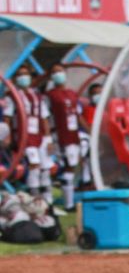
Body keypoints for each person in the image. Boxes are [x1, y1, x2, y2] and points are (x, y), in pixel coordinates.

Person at [11, 64, 53, 207]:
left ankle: (48, 199)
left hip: (39, 136)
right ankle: (34, 197)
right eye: (20, 75)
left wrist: (48, 138)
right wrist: (11, 138)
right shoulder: (13, 96)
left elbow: (44, 118)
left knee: (45, 166)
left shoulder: (37, 96)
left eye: (26, 74)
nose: (24, 77)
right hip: (24, 137)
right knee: (34, 164)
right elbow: (8, 118)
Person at [44, 63, 83, 210]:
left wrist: (89, 131)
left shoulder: (72, 93)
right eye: (54, 72)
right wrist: (48, 137)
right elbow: (45, 117)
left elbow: (78, 115)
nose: (58, 74)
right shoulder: (50, 95)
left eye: (60, 71)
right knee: (64, 167)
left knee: (71, 167)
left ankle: (68, 201)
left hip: (73, 134)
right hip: (59, 135)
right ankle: (65, 203)